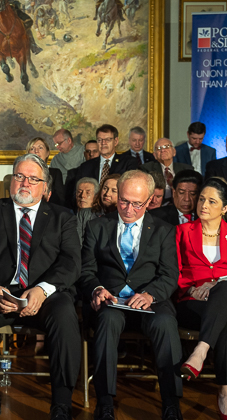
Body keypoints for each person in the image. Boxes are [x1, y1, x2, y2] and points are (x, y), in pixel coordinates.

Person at [0, 153, 81, 420]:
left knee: (65, 314)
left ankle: (61, 403)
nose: (25, 183)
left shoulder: (63, 217)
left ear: (45, 187)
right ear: (11, 181)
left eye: (33, 179)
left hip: (45, 294)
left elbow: (72, 262)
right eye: (19, 176)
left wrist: (42, 290)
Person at [80, 170, 183, 420]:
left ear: (149, 201)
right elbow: (85, 270)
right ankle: (104, 402)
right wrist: (96, 288)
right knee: (106, 321)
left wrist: (150, 295)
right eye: (123, 201)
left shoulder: (164, 230)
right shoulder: (97, 227)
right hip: (112, 300)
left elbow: (170, 275)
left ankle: (171, 402)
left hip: (151, 300)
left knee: (165, 323)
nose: (128, 209)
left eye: (137, 203)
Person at [175, 177, 227, 420]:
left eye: (211, 201)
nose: (203, 205)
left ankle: (200, 350)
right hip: (193, 302)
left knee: (225, 290)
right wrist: (189, 289)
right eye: (201, 199)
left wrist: (216, 284)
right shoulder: (182, 231)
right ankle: (225, 391)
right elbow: (173, 271)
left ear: (226, 208)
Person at [71, 125, 139, 188]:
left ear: (115, 141)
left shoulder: (128, 163)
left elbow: (130, 189)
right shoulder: (85, 167)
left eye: (108, 140)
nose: (103, 143)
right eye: (100, 140)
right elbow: (77, 194)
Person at [141, 138, 193, 206]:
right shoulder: (147, 169)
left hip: (181, 206)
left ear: (174, 152)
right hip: (158, 206)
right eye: (159, 148)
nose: (163, 150)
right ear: (155, 155)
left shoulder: (186, 169)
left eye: (167, 147)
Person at [27, 137, 66, 208]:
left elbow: (60, 200)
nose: (36, 151)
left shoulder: (55, 173)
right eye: (32, 149)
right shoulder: (23, 173)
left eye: (40, 148)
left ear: (47, 153)